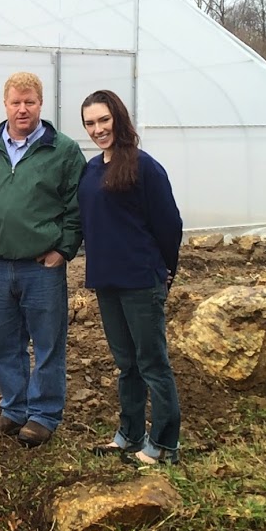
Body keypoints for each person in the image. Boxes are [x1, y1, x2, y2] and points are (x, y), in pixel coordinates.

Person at [0, 71, 86, 447]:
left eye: (29, 101)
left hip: (40, 267)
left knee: (47, 342)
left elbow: (76, 205)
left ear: (40, 104)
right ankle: (13, 409)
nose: (22, 109)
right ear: (5, 105)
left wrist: (63, 248)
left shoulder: (61, 150)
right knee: (4, 340)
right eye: (15, 102)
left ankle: (44, 414)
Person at [77, 89, 183, 465]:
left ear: (118, 118)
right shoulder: (92, 169)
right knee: (127, 365)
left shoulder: (143, 166)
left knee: (153, 362)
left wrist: (165, 269)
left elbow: (169, 224)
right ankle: (129, 434)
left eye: (103, 120)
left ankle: (165, 443)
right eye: (90, 123)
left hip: (141, 280)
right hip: (107, 280)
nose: (97, 129)